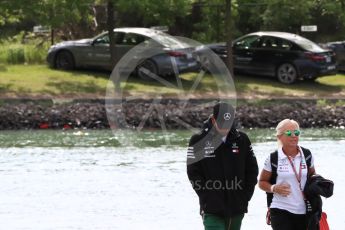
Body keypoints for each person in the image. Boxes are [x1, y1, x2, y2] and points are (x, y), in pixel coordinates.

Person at [187, 102, 258, 230]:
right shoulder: (197, 140)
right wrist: (206, 196)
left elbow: (252, 171)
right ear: (213, 120)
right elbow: (193, 173)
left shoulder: (242, 139)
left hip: (237, 206)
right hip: (211, 208)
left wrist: (245, 196)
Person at [258, 119, 316, 230]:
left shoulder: (307, 155)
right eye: (289, 133)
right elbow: (261, 182)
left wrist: (320, 184)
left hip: (305, 209)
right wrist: (274, 188)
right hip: (280, 209)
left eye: (297, 133)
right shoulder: (273, 158)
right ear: (280, 136)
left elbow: (313, 176)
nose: (294, 136)